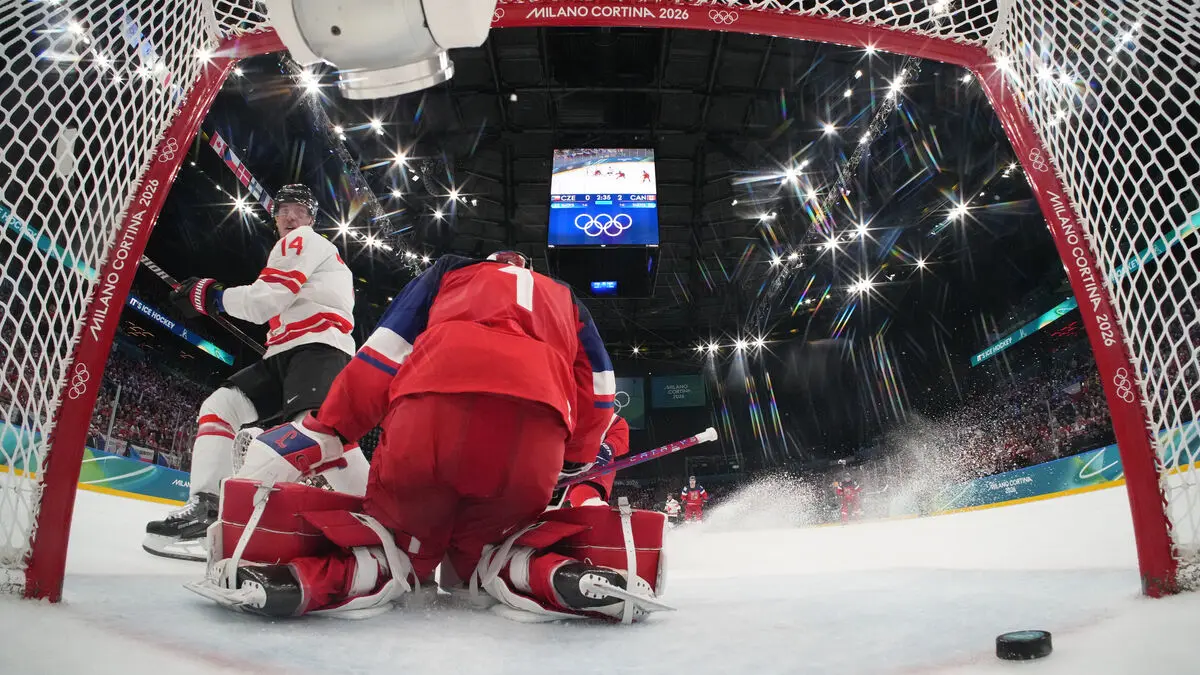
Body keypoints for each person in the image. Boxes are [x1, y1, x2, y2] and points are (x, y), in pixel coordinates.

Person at [194, 251, 667, 622]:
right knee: (483, 567)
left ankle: (294, 583)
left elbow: (384, 352)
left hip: (433, 412)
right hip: (532, 432)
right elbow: (602, 392)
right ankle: (558, 576)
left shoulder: (449, 272)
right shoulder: (567, 299)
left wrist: (335, 425)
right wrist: (573, 460)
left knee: (397, 554)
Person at [143, 184, 366, 561]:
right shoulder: (306, 253)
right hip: (286, 353)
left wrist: (212, 296)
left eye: (299, 210)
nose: (290, 217)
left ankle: (373, 508)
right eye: (283, 210)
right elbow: (279, 307)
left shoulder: (303, 241)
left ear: (312, 219)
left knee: (312, 431)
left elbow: (266, 300)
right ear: (274, 216)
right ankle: (207, 508)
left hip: (317, 350)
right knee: (221, 406)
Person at [560, 413, 630, 508]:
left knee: (582, 493)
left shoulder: (594, 411)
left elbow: (618, 427)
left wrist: (609, 447)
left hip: (593, 466)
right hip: (559, 470)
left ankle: (595, 511)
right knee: (543, 499)